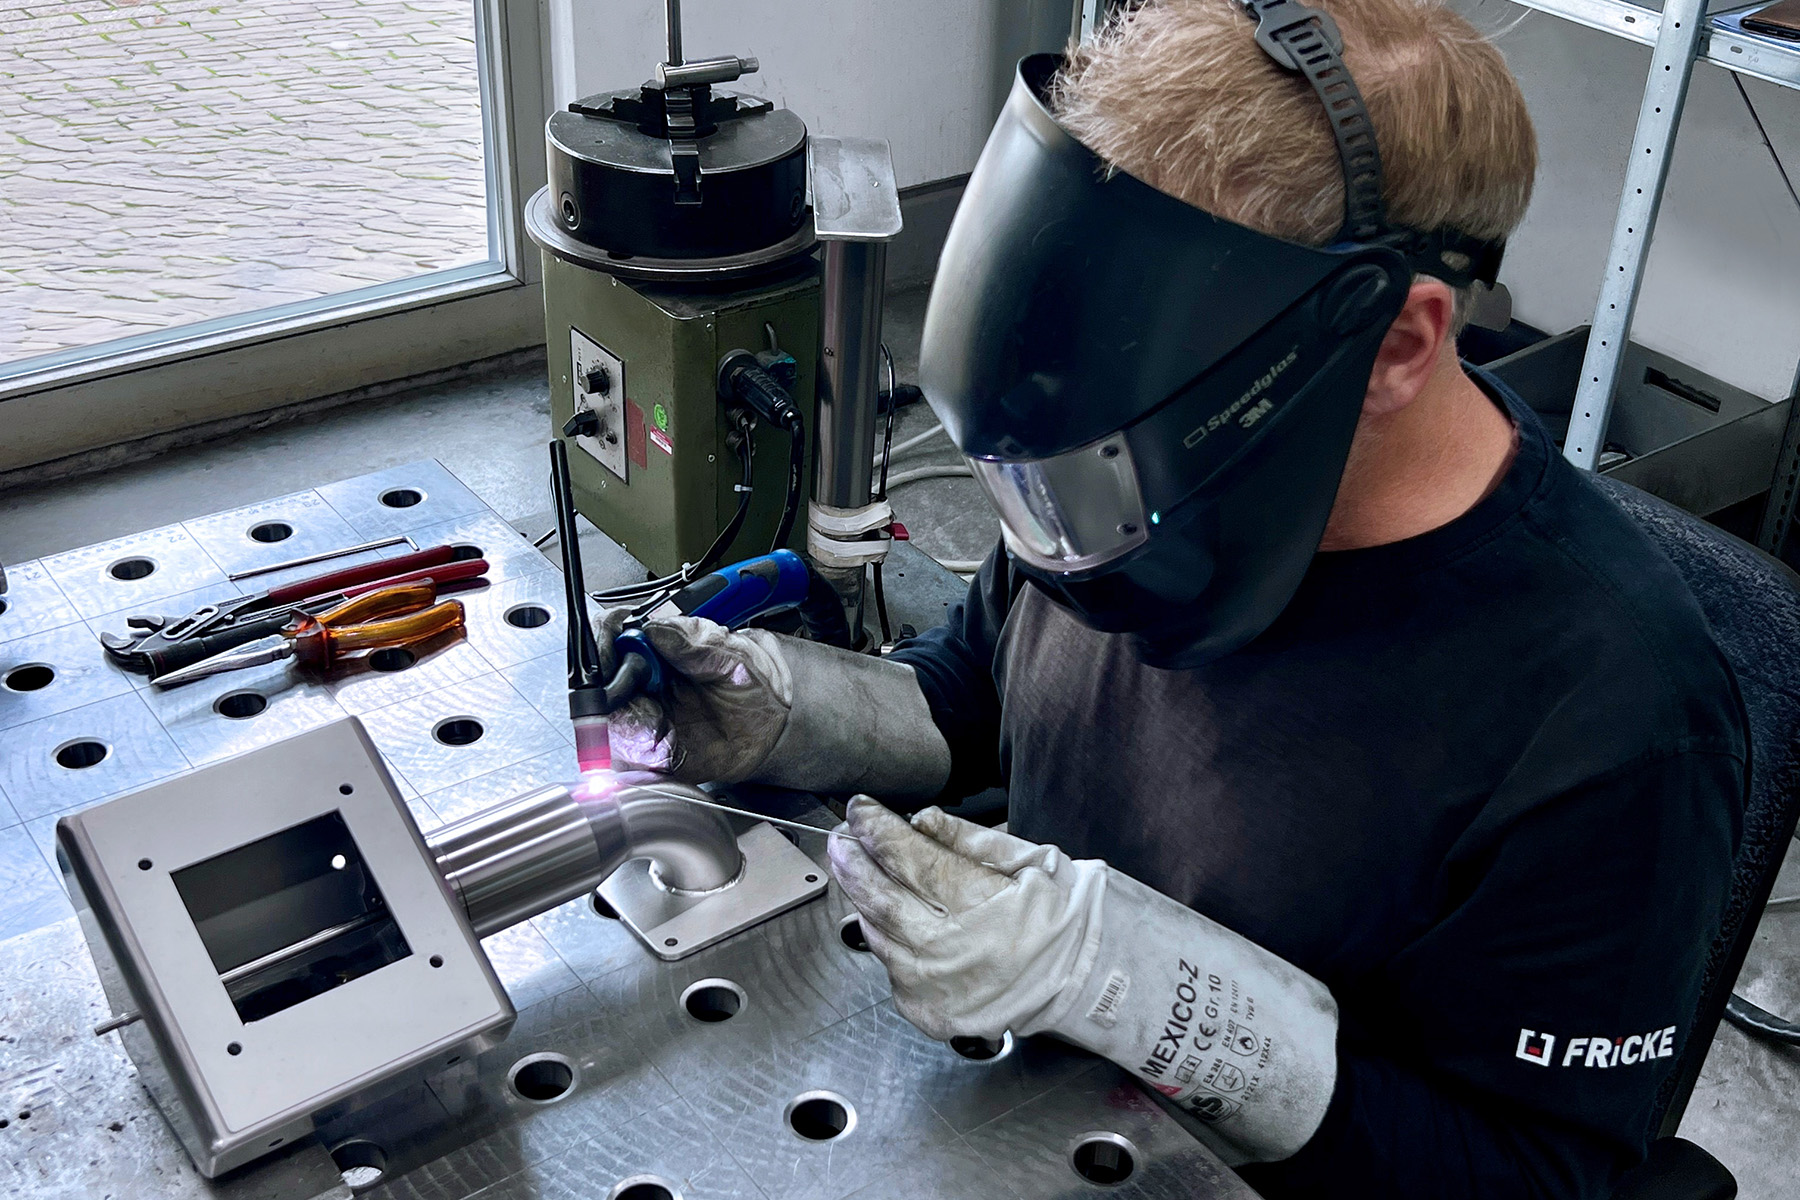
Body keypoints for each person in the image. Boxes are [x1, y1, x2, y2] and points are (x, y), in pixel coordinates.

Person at [597, 1, 1747, 1196]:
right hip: (1028, 1117)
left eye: (1108, 457)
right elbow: (979, 690)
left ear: (1396, 346)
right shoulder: (1115, 478)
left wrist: (1158, 999)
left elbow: (1537, 1180)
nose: (1059, 531)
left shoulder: (1619, 721)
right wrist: (797, 709)